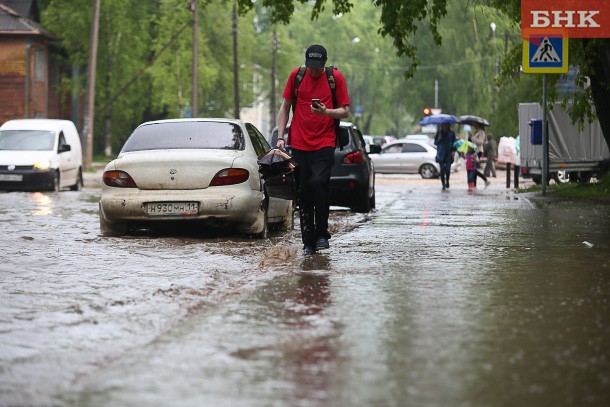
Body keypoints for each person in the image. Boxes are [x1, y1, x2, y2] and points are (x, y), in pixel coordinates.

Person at [276, 44, 350, 255]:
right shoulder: (297, 76)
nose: (314, 70)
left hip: (325, 142)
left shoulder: (335, 78)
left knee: (319, 184)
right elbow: (285, 107)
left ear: (324, 63)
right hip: (298, 143)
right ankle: (308, 241)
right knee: (304, 191)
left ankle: (321, 234)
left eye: (318, 67)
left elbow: (345, 111)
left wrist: (327, 112)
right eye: (311, 66)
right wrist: (281, 137)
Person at [434, 122, 456, 190]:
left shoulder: (451, 133)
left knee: (447, 170)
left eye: (446, 125)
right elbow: (435, 143)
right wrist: (439, 139)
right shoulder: (439, 133)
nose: (445, 126)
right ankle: (443, 184)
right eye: (443, 125)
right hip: (441, 154)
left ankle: (447, 181)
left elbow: (454, 143)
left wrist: (453, 151)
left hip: (449, 154)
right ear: (442, 125)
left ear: (448, 125)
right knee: (442, 170)